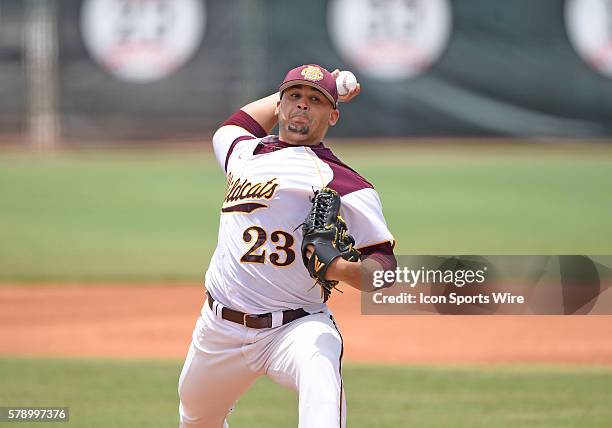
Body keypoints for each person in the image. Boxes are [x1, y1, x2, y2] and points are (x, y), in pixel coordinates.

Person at [178, 64, 396, 428]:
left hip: (296, 328)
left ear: (334, 116)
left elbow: (385, 272)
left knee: (323, 392)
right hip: (219, 329)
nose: (302, 107)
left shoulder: (346, 182)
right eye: (294, 97)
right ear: (278, 106)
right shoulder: (243, 154)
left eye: (315, 101)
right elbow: (236, 123)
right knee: (197, 419)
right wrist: (329, 87)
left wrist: (340, 268)